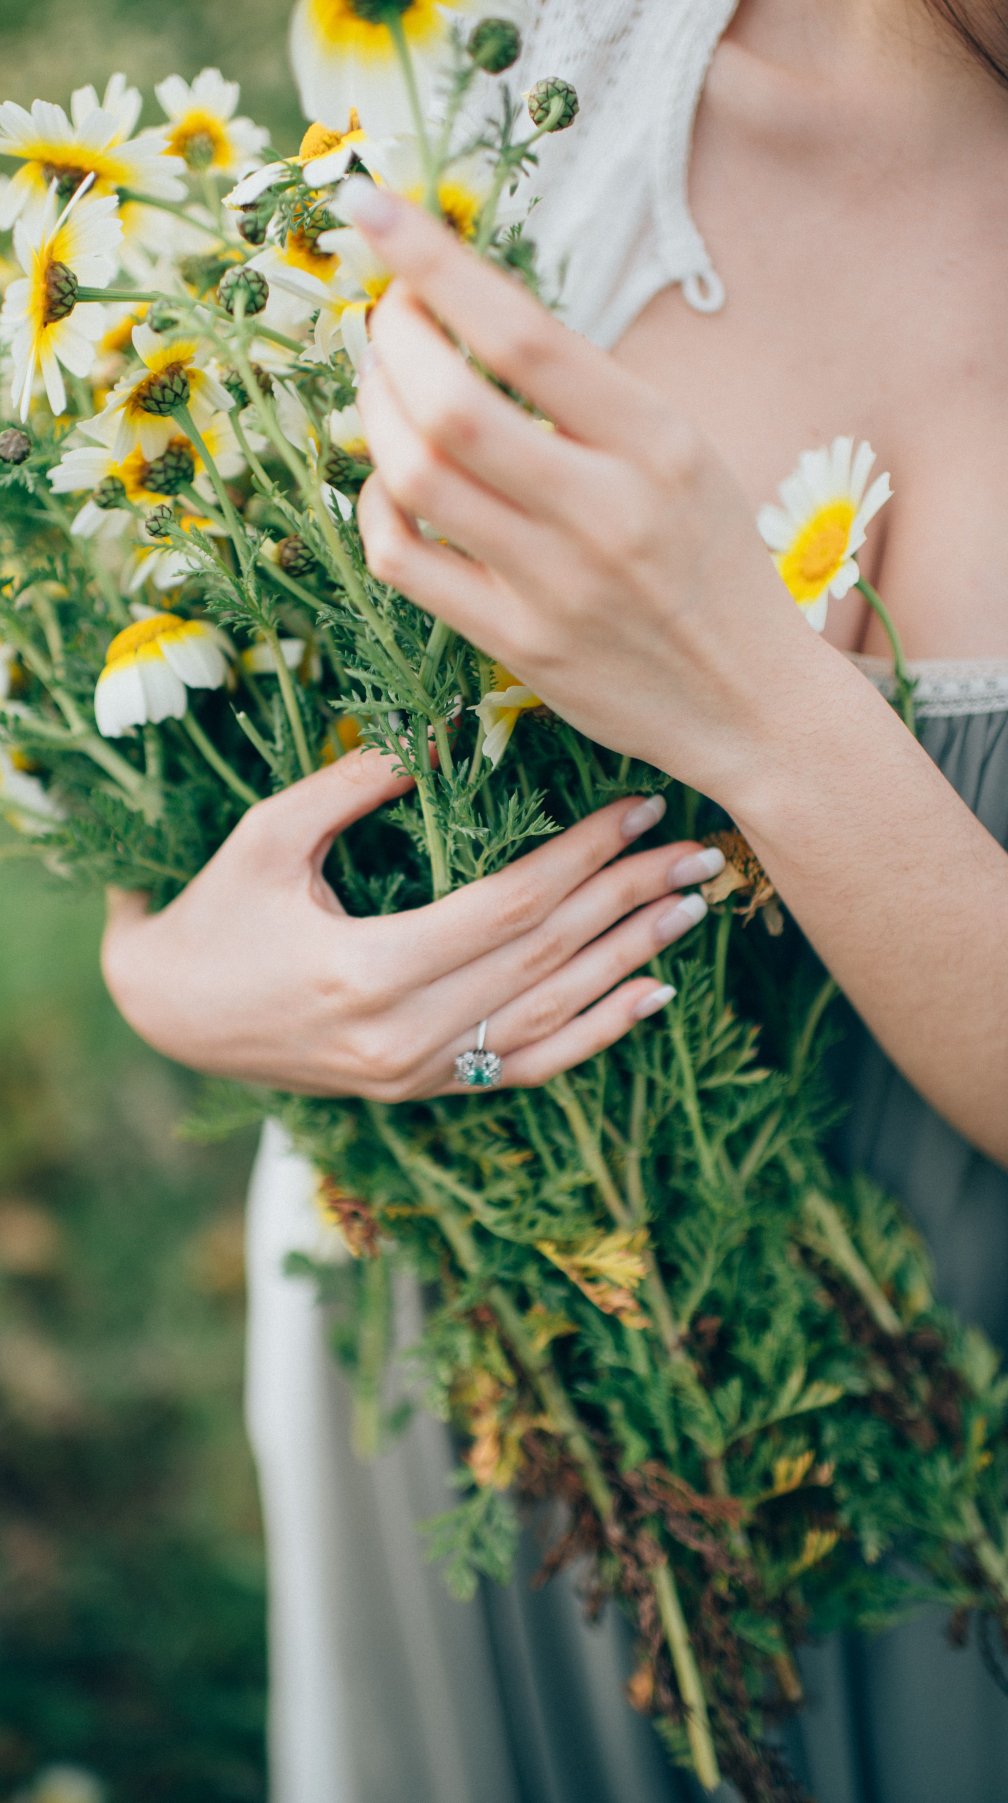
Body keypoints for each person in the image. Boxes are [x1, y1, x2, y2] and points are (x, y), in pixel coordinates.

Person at [100, 1, 1008, 1797]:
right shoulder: (505, 66)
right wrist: (183, 985)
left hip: (958, 1494)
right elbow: (229, 717)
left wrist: (765, 717)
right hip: (505, 1456)